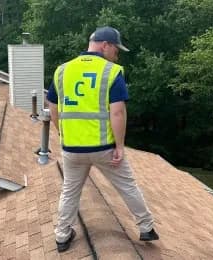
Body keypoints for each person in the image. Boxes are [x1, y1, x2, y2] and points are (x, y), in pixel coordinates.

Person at [47, 26, 159, 253]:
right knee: (127, 186)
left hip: (72, 149)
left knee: (70, 190)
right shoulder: (112, 72)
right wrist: (120, 145)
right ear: (104, 45)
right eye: (116, 49)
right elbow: (117, 112)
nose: (117, 54)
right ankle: (146, 226)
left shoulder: (62, 71)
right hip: (103, 148)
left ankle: (61, 235)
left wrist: (63, 133)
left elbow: (53, 107)